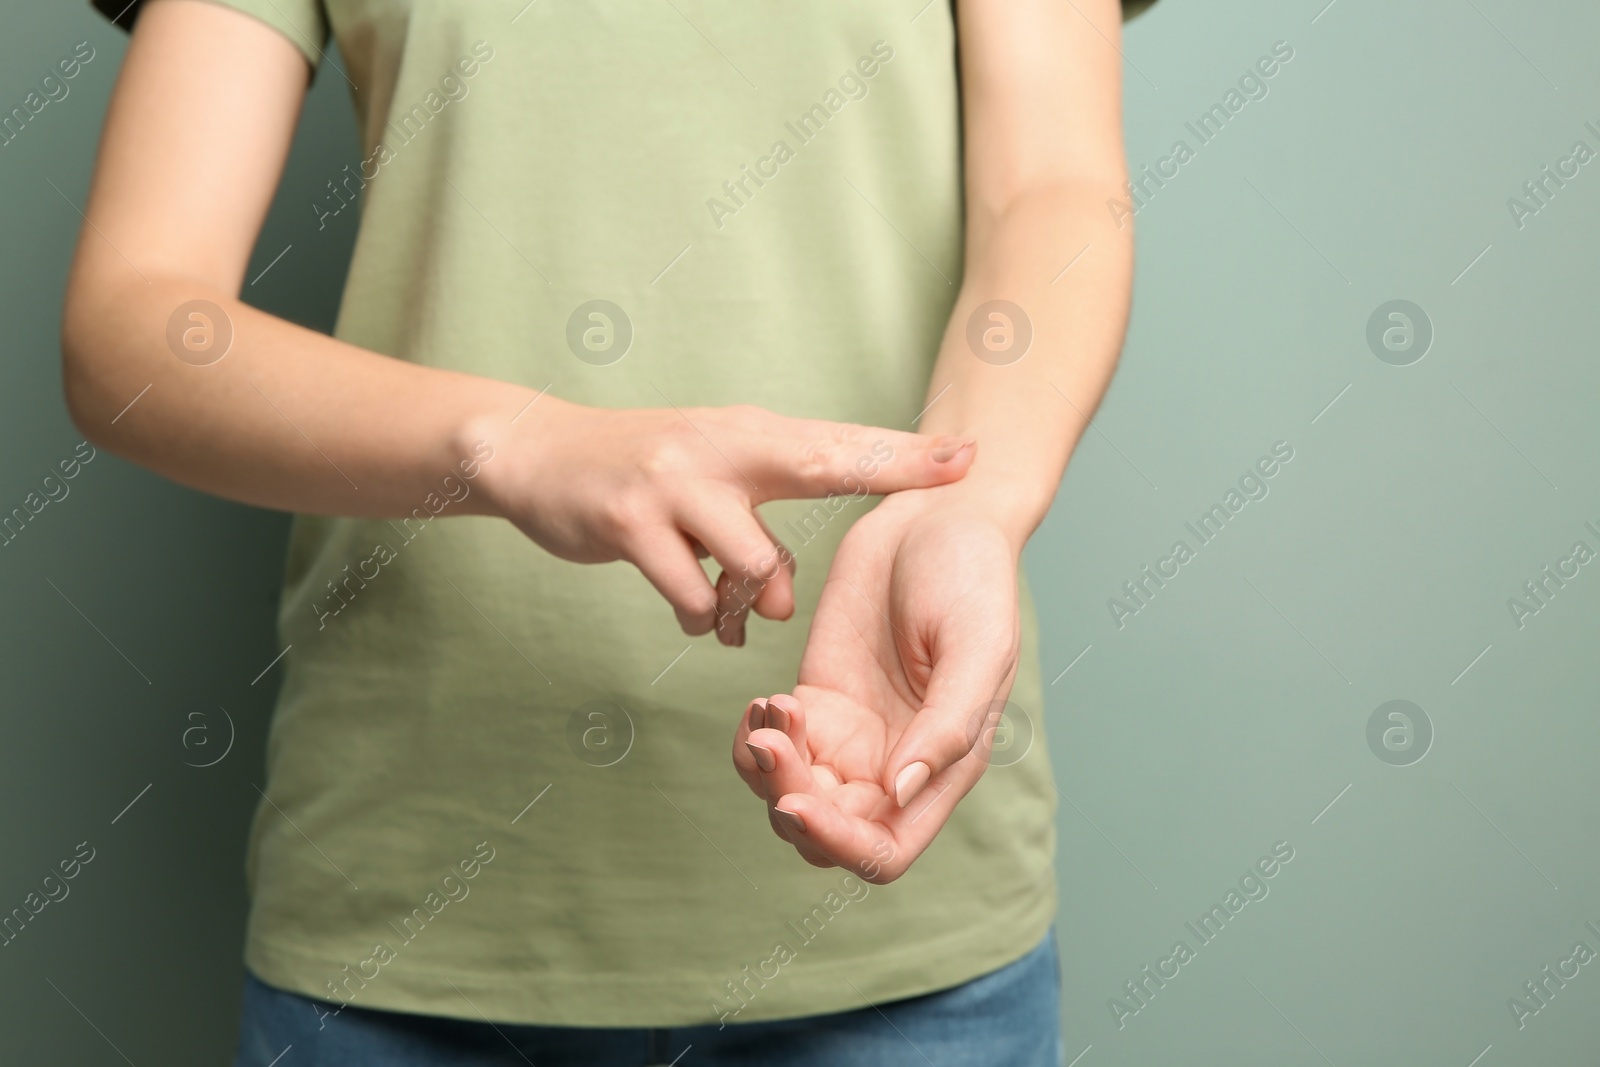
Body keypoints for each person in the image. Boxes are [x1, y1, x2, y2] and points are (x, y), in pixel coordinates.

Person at [68, 0, 1139, 1062]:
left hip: (906, 927)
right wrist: (518, 444)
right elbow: (132, 321)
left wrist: (964, 499)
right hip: (407, 914)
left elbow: (1050, 190)